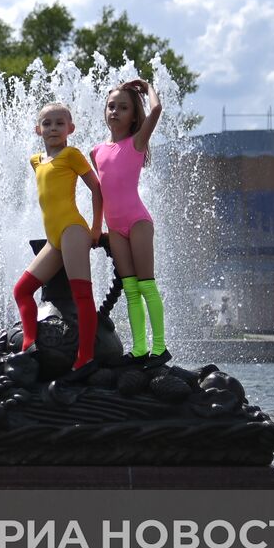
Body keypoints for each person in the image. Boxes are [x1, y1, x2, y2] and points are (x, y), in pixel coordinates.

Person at [13, 101, 103, 373]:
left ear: (70, 128)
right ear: (38, 129)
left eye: (59, 123)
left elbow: (97, 189)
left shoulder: (72, 154)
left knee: (82, 295)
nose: (53, 128)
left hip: (73, 230)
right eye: (47, 123)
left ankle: (84, 357)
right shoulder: (36, 161)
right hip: (54, 238)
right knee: (22, 290)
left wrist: (96, 228)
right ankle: (29, 345)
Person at [90, 78, 170, 366]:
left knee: (147, 284)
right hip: (114, 229)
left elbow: (157, 109)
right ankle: (139, 350)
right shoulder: (96, 151)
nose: (115, 111)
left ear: (134, 115)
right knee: (131, 288)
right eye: (111, 106)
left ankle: (159, 348)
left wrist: (147, 86)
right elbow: (98, 193)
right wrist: (97, 227)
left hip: (137, 221)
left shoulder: (136, 142)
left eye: (123, 107)